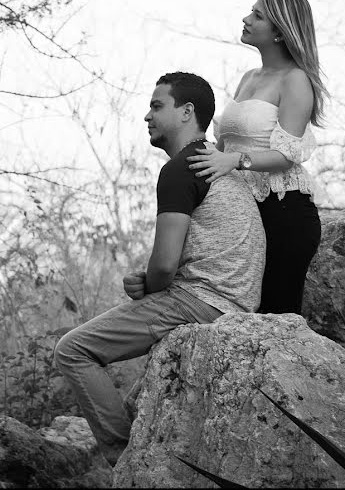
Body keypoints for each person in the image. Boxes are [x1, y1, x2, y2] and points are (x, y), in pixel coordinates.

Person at [53, 71, 265, 467]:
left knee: (73, 350)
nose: (146, 116)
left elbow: (165, 264)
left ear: (187, 112)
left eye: (156, 105)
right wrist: (149, 280)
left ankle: (123, 460)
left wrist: (152, 282)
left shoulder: (182, 169)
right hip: (235, 305)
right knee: (137, 399)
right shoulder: (220, 168)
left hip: (200, 302)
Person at [186, 0, 326, 315]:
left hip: (284, 213)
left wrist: (235, 161)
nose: (246, 19)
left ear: (280, 31)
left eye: (258, 15)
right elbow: (223, 145)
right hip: (243, 212)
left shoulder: (295, 80)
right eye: (251, 11)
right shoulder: (249, 77)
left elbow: (287, 154)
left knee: (274, 316)